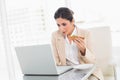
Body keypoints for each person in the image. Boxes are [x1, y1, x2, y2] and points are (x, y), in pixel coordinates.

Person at [51, 7, 104, 80]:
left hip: (88, 72)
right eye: (58, 25)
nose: (61, 28)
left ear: (72, 21)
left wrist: (84, 51)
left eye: (64, 24)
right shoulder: (55, 36)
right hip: (68, 73)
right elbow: (57, 62)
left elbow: (93, 62)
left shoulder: (86, 34)